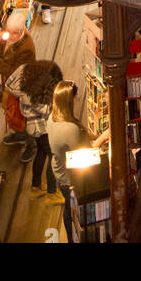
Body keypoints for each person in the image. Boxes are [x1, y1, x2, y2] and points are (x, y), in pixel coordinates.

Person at [45, 80, 88, 240]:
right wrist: (103, 138)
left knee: (68, 208)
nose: (77, 100)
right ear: (70, 101)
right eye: (75, 97)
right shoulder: (70, 129)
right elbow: (84, 155)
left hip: (59, 171)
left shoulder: (53, 118)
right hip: (69, 177)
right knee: (72, 211)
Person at [3, 58, 64, 168]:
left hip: (32, 128)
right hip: (41, 129)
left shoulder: (23, 69)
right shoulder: (35, 98)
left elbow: (8, 85)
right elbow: (47, 110)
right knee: (54, 157)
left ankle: (35, 183)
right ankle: (51, 184)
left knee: (41, 152)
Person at [0, 10, 36, 142]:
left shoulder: (26, 48)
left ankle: (29, 141)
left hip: (20, 85)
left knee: (20, 113)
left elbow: (15, 72)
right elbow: (2, 44)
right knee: (11, 109)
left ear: (22, 31)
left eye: (14, 33)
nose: (10, 36)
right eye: (8, 32)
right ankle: (19, 134)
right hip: (8, 83)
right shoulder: (12, 36)